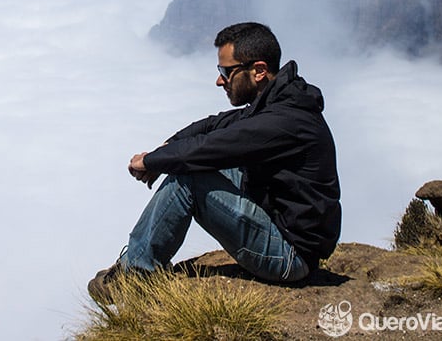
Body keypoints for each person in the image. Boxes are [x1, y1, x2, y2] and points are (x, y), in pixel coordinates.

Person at [88, 22, 341, 303]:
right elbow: (214, 125)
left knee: (189, 178)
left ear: (258, 71)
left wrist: (153, 161)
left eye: (226, 72)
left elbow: (210, 148)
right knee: (195, 164)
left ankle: (136, 275)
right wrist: (168, 147)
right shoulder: (277, 100)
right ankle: (140, 262)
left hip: (290, 256)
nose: (220, 81)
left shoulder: (284, 120)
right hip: (280, 223)